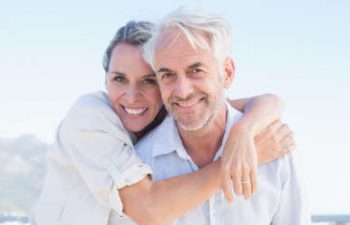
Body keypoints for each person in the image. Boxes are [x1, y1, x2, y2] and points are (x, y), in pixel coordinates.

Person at [31, 20, 294, 225]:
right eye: (119, 79)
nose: (132, 96)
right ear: (105, 80)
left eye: (148, 80)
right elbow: (147, 208)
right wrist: (239, 161)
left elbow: (261, 101)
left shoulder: (174, 110)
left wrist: (243, 131)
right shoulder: (89, 117)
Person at [137, 9, 310, 225]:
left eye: (196, 70)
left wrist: (244, 130)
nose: (182, 91)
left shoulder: (275, 146)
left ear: (227, 73)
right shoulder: (140, 164)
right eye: (168, 75)